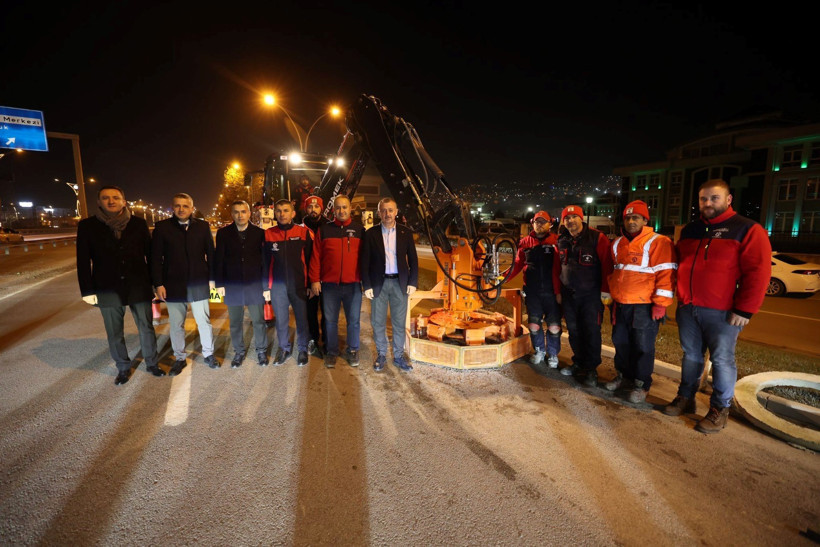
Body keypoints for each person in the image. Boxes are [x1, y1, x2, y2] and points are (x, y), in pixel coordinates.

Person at [664, 180, 771, 433]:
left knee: (722, 360)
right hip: (688, 307)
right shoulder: (691, 230)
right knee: (690, 356)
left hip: (722, 311)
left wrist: (745, 309)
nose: (708, 203)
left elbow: (758, 272)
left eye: (714, 198)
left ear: (728, 199)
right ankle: (686, 398)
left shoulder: (747, 229)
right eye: (703, 199)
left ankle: (719, 409)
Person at [77, 185, 165, 385]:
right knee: (114, 332)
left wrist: (155, 283)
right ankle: (123, 367)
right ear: (99, 202)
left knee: (146, 327)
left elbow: (150, 256)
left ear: (124, 201)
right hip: (107, 287)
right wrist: (87, 290)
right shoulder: (87, 226)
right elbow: (83, 261)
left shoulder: (138, 224)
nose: (111, 201)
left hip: (138, 284)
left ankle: (152, 363)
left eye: (115, 197)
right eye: (106, 198)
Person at [605, 200, 677, 403]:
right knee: (621, 343)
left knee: (643, 347)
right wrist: (610, 296)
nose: (630, 221)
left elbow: (666, 274)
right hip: (620, 305)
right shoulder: (618, 243)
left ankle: (641, 384)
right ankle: (624, 377)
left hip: (644, 307)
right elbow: (616, 273)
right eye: (627, 218)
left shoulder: (658, 242)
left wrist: (661, 304)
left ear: (645, 219)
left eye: (635, 217)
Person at [150, 192, 218, 375]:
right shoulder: (162, 228)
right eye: (178, 206)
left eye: (185, 206)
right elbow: (155, 259)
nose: (181, 209)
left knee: (203, 321)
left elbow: (211, 254)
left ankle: (208, 354)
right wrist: (158, 284)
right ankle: (179, 357)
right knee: (176, 323)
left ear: (191, 208)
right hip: (172, 283)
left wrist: (212, 279)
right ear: (173, 207)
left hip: (198, 281)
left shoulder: (203, 227)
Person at [556, 204, 614, 386]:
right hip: (569, 296)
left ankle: (591, 369)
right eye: (567, 218)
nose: (570, 221)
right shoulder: (562, 240)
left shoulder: (597, 238)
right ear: (563, 222)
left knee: (591, 332)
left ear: (582, 218)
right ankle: (578, 362)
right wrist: (558, 292)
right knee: (573, 331)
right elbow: (558, 268)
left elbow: (607, 265)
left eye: (574, 217)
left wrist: (606, 291)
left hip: (591, 296)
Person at [361, 197, 419, 372]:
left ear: (396, 212)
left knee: (399, 322)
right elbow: (364, 261)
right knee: (377, 322)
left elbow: (413, 260)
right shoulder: (370, 234)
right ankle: (381, 354)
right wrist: (367, 285)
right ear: (379, 212)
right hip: (379, 284)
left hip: (400, 284)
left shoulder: (405, 233)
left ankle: (399, 356)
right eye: (384, 210)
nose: (387, 214)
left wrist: (413, 281)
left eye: (390, 210)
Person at [309, 195, 365, 369]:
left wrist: (366, 281)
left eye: (345, 207)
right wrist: (314, 280)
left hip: (353, 285)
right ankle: (332, 352)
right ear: (334, 210)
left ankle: (353, 350)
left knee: (353, 321)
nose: (341, 211)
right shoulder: (325, 230)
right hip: (330, 285)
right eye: (338, 208)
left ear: (350, 209)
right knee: (330, 320)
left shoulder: (359, 230)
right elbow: (316, 257)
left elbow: (366, 257)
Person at [214, 200, 269, 368]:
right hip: (233, 284)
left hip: (254, 284)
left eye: (243, 211)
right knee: (235, 322)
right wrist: (219, 283)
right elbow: (219, 259)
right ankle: (239, 351)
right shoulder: (223, 233)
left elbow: (265, 261)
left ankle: (261, 350)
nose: (240, 215)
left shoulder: (260, 233)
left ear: (249, 213)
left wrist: (266, 286)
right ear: (232, 214)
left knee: (258, 320)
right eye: (236, 212)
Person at [506, 210, 562, 368]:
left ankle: (553, 354)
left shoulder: (556, 241)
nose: (540, 224)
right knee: (534, 324)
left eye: (543, 222)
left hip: (552, 292)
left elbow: (562, 268)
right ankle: (539, 351)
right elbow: (517, 264)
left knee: (554, 326)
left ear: (550, 224)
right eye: (537, 221)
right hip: (533, 292)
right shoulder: (525, 242)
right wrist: (502, 279)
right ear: (533, 223)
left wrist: (559, 292)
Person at [264, 199, 313, 366]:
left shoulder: (303, 232)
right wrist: (266, 286)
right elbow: (265, 263)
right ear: (274, 213)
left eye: (286, 210)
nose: (282, 214)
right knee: (281, 320)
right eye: (278, 211)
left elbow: (310, 259)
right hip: (277, 285)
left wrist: (311, 283)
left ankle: (302, 349)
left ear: (293, 213)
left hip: (298, 283)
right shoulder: (268, 234)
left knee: (301, 319)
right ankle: (284, 348)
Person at [301, 195, 328, 357]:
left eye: (316, 206)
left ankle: (326, 340)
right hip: (308, 279)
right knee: (310, 312)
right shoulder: (300, 228)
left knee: (327, 312)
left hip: (326, 278)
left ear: (321, 208)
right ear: (306, 209)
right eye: (310, 207)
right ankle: (312, 339)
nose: (313, 209)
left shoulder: (329, 227)